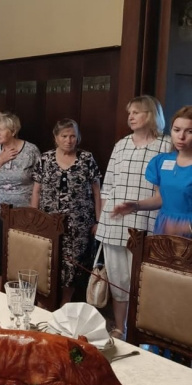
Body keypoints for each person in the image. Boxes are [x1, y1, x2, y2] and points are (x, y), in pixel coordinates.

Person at [95, 95, 171, 340]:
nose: (131, 117)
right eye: (130, 113)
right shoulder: (121, 144)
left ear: (151, 114)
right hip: (114, 223)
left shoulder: (167, 145)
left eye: (136, 112)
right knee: (119, 280)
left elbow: (169, 188)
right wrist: (101, 219)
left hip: (147, 223)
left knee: (144, 282)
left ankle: (143, 334)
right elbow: (107, 186)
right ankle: (120, 328)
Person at [31, 119, 101, 305]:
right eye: (64, 136)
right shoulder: (44, 159)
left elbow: (96, 191)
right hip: (48, 222)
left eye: (72, 136)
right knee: (47, 259)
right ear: (56, 138)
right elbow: (36, 191)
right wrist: (34, 219)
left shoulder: (86, 158)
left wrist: (98, 221)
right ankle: (46, 300)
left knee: (73, 264)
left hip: (79, 224)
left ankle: (65, 302)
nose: (69, 140)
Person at [0, 111, 40, 290]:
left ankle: (22, 293)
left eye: (1, 129)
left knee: (22, 253)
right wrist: (0, 161)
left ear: (13, 131)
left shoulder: (31, 150)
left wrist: (34, 211)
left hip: (23, 211)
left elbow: (40, 182)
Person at [112, 105, 192, 237]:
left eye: (190, 131)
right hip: (164, 227)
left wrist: (184, 227)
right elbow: (160, 199)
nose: (181, 136)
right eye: (176, 130)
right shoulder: (161, 161)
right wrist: (136, 206)